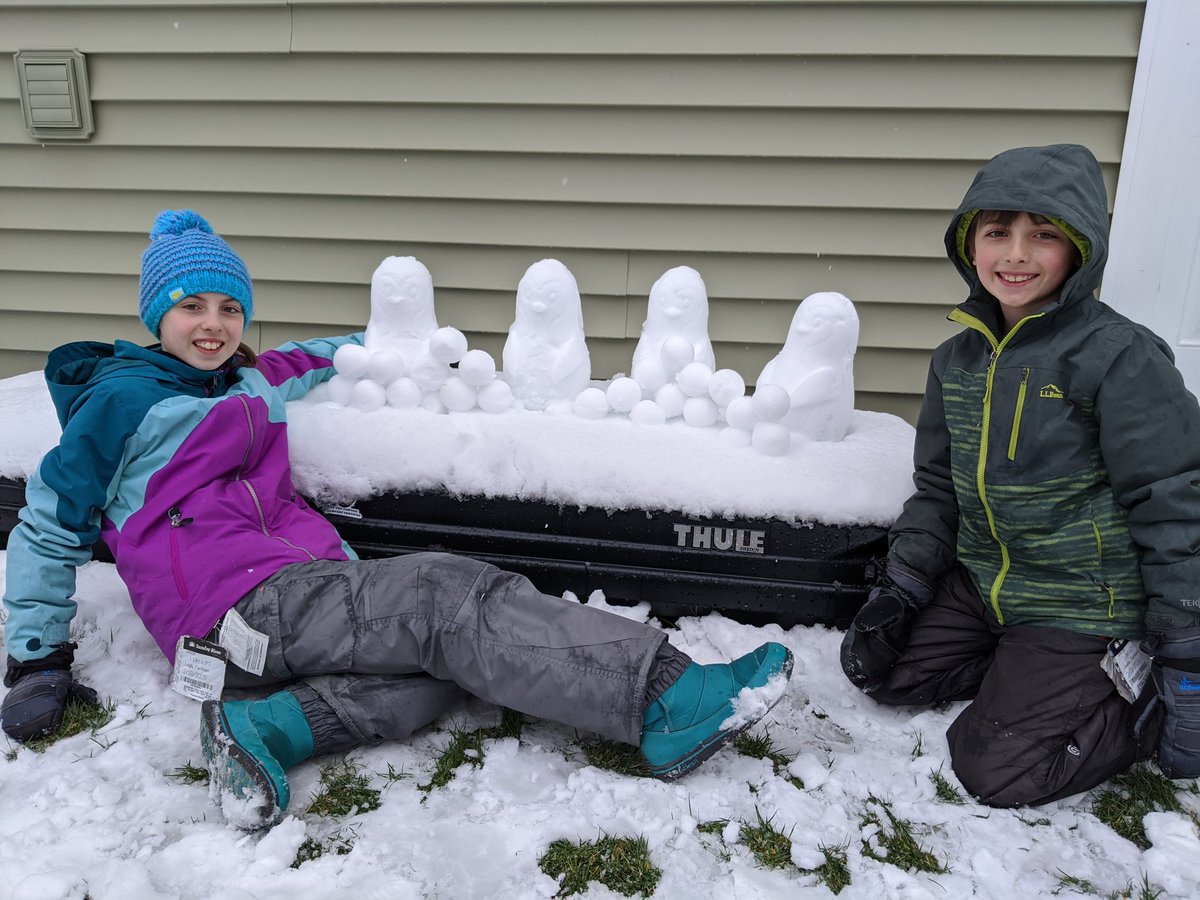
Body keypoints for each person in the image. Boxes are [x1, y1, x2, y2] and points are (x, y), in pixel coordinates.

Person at [0, 209, 794, 828]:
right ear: (155, 315)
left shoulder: (246, 380)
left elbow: (332, 356)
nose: (213, 323)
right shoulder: (120, 402)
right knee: (442, 600)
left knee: (443, 669)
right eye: (190, 307)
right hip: (233, 603)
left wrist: (396, 348)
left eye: (229, 307)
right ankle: (666, 696)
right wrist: (37, 660)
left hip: (284, 600)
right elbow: (46, 523)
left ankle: (266, 728)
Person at [840, 143, 1200, 807]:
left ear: (1080, 251)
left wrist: (1184, 636)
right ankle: (1032, 674)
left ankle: (1129, 697)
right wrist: (906, 583)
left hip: (1083, 600)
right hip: (989, 588)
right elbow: (939, 487)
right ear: (968, 245)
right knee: (882, 673)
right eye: (997, 232)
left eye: (1043, 236)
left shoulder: (1118, 356)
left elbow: (1173, 497)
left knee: (996, 769)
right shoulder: (958, 360)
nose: (1016, 255)